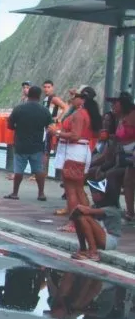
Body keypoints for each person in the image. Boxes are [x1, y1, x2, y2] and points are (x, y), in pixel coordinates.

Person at [58, 87, 101, 231]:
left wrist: (57, 132)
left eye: (74, 96)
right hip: (82, 151)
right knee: (78, 190)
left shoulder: (80, 114)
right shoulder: (89, 113)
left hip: (74, 152)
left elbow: (75, 135)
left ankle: (75, 223)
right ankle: (85, 220)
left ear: (81, 98)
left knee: (72, 191)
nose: (71, 98)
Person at [5, 85, 52, 201]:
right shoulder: (44, 110)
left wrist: (18, 126)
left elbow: (10, 125)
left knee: (18, 170)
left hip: (21, 144)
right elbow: (49, 128)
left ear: (28, 94)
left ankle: (15, 193)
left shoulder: (19, 109)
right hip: (37, 145)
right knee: (38, 170)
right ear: (39, 96)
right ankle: (41, 193)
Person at [70, 180, 122, 262]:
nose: (92, 194)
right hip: (102, 237)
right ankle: (83, 249)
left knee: (84, 217)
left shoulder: (112, 209)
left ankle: (93, 251)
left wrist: (79, 208)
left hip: (110, 241)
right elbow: (73, 216)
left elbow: (86, 211)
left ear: (101, 195)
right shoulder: (96, 206)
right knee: (80, 218)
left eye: (93, 192)